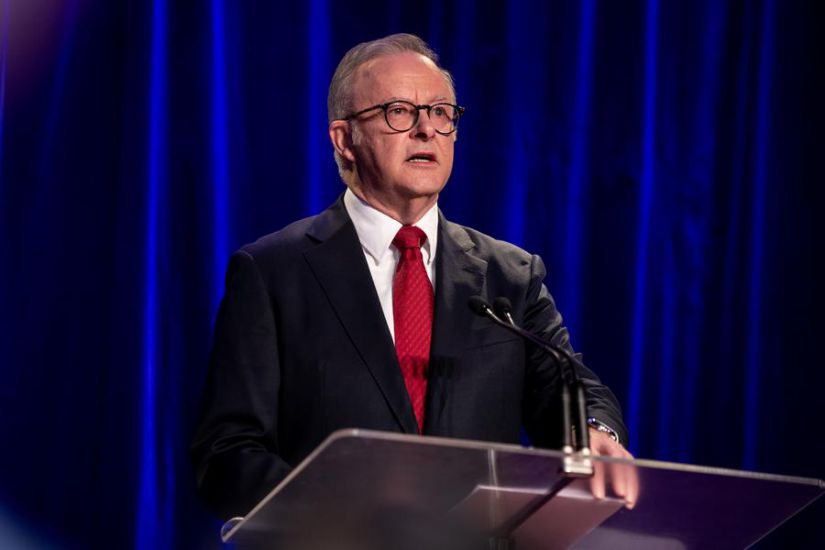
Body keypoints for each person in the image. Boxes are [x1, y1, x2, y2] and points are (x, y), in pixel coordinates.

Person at [191, 33, 634, 522]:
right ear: (344, 139)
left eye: (442, 113)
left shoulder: (509, 276)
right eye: (398, 112)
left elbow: (574, 390)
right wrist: (336, 517)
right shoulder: (274, 272)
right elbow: (227, 455)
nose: (426, 130)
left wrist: (595, 433)